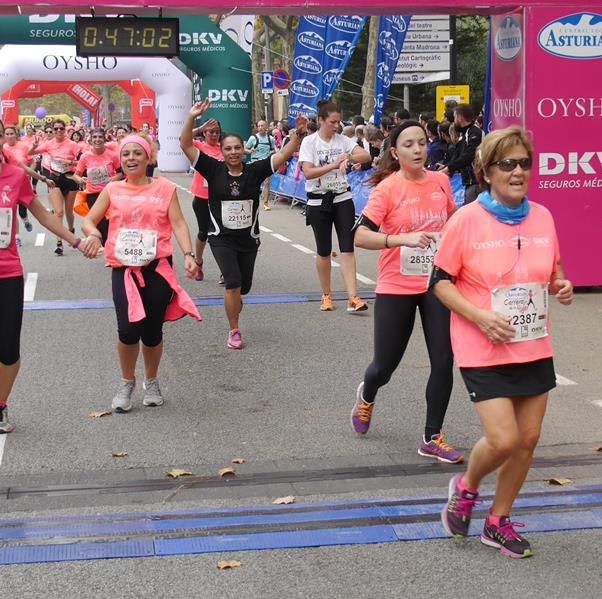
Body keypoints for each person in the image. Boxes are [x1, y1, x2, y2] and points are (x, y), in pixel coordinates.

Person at [433, 127, 574, 558]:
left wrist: (562, 285)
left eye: (524, 163)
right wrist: (479, 317)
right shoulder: (467, 219)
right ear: (487, 171)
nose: (517, 172)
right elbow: (440, 282)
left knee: (528, 440)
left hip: (532, 343)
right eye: (507, 164)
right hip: (482, 343)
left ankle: (499, 520)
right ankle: (467, 487)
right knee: (503, 439)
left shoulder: (543, 217)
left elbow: (554, 270)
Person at [0, 114, 98, 433]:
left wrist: (77, 240)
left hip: (7, 274)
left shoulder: (15, 177)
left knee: (8, 349)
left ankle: (0, 405)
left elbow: (45, 216)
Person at [350, 121, 461, 463]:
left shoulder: (441, 182)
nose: (417, 150)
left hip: (437, 283)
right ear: (395, 152)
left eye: (422, 143)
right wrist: (401, 239)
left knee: (443, 360)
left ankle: (432, 436)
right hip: (396, 284)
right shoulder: (387, 189)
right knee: (385, 365)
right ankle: (367, 394)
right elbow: (360, 236)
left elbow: (454, 224)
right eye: (409, 145)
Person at [82, 135, 202, 412]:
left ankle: (152, 380)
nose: (131, 159)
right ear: (120, 160)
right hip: (124, 269)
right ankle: (126, 383)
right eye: (126, 155)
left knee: (151, 331)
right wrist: (93, 236)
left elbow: (179, 223)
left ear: (149, 158)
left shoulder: (164, 188)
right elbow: (90, 220)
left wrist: (188, 254)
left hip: (157, 267)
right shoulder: (112, 190)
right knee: (126, 330)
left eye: (138, 153)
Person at [180, 100, 308, 349]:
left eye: (238, 148)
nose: (234, 152)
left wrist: (298, 135)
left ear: (243, 149)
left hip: (248, 240)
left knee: (243, 287)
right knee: (233, 282)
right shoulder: (212, 168)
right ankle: (234, 330)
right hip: (221, 238)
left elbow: (282, 154)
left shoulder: (255, 171)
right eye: (228, 148)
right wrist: (191, 117)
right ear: (222, 150)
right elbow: (185, 144)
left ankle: (235, 299)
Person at [299, 100, 373, 312]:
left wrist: (348, 157)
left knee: (347, 247)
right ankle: (327, 295)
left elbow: (366, 156)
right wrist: (333, 164)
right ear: (321, 120)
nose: (336, 126)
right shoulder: (310, 143)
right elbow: (308, 172)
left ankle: (353, 297)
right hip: (318, 200)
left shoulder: (343, 140)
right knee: (323, 251)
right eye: (332, 122)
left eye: (339, 122)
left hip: (342, 198)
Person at [28, 120, 84, 256]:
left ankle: (71, 230)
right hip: (55, 178)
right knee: (58, 212)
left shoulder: (72, 145)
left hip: (70, 178)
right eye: (56, 129)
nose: (58, 131)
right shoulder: (48, 144)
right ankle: (59, 243)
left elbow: (83, 160)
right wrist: (34, 146)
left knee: (69, 211)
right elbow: (30, 153)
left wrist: (70, 162)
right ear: (52, 130)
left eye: (61, 129)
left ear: (65, 130)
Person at [189, 117, 223, 282]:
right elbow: (183, 139)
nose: (214, 135)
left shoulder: (223, 148)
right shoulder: (199, 146)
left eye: (217, 132)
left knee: (222, 234)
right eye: (211, 132)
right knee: (204, 233)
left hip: (221, 198)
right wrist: (200, 127)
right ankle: (199, 262)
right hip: (201, 197)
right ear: (204, 133)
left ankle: (225, 269)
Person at [73, 127, 122, 241]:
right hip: (93, 195)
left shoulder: (112, 155)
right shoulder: (85, 156)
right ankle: (107, 248)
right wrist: (80, 180)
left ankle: (109, 249)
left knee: (108, 223)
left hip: (109, 194)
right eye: (95, 137)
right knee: (99, 224)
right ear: (91, 140)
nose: (97, 139)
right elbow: (76, 175)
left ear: (104, 139)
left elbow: (121, 173)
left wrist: (112, 179)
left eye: (100, 137)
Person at [443, 104, 483, 204]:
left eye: (455, 116)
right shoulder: (465, 135)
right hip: (469, 183)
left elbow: (469, 155)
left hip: (475, 182)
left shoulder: (474, 132)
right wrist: (446, 167)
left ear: (460, 118)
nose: (454, 120)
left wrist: (449, 168)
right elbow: (458, 156)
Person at [244, 119, 278, 210]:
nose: (260, 128)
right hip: (255, 162)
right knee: (254, 183)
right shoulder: (253, 138)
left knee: (267, 183)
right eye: (258, 126)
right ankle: (251, 200)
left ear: (266, 127)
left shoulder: (270, 139)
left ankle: (266, 203)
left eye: (262, 126)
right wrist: (250, 151)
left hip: (265, 163)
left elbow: (273, 150)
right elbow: (245, 149)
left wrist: (271, 152)